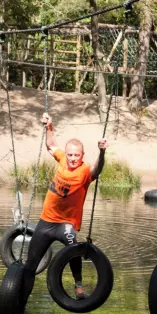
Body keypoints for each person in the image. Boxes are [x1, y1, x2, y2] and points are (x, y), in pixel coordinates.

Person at [22, 112, 107, 300]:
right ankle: (22, 301)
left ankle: (78, 286)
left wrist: (102, 152)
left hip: (65, 224)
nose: (73, 158)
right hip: (46, 222)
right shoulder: (62, 160)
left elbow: (97, 169)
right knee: (30, 265)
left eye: (77, 155)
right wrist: (49, 126)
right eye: (70, 155)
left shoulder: (84, 172)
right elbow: (51, 145)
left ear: (82, 155)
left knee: (73, 246)